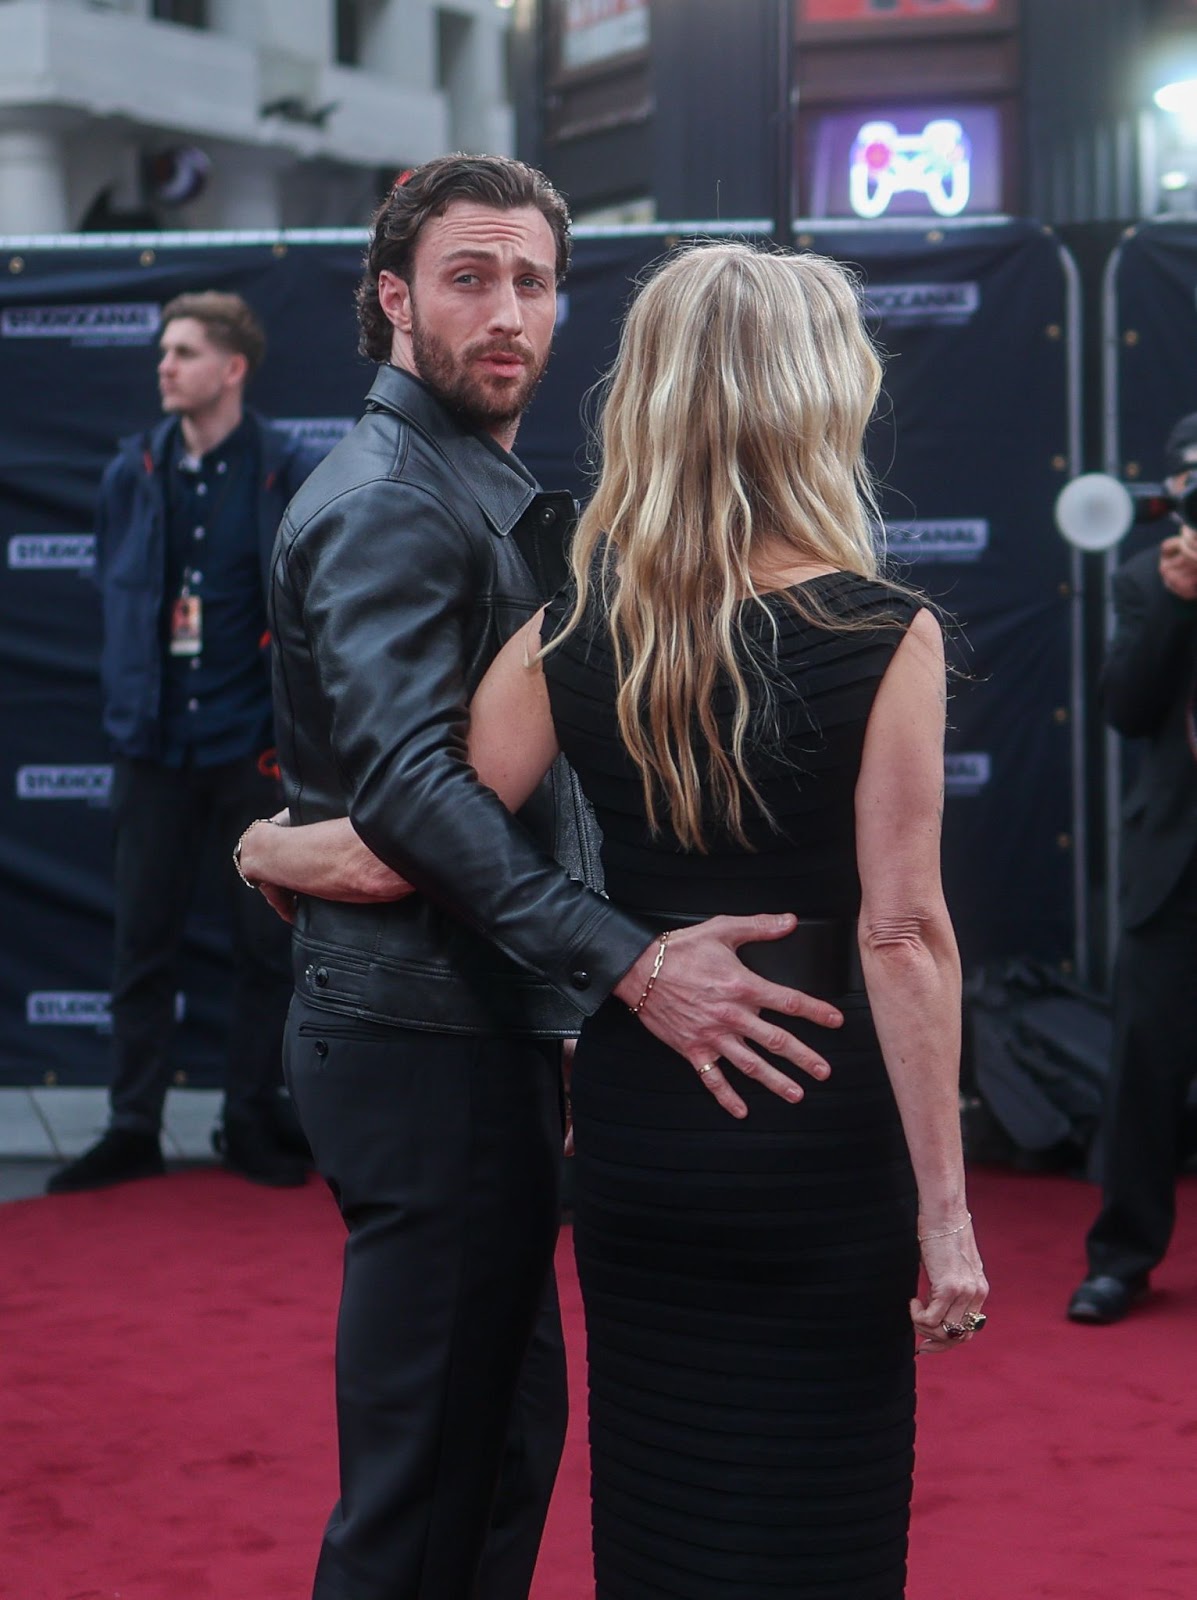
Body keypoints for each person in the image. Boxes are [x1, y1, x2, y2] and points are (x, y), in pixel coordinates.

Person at [244, 239, 988, 1598]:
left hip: (650, 1139)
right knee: (817, 1527)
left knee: (661, 1513)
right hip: (819, 1137)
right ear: (818, 398)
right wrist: (948, 1214)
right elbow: (900, 936)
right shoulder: (887, 631)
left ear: (651, 396)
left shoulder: (574, 623)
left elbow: (418, 842)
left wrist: (265, 842)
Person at [46, 292, 321, 1196]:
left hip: (252, 752)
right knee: (140, 945)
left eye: (183, 351)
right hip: (153, 748)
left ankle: (248, 1117)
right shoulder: (133, 470)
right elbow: (115, 591)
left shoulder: (286, 470)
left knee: (262, 947)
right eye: (163, 350)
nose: (163, 365)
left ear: (231, 369)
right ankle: (133, 1125)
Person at [1067, 412, 1197, 1325]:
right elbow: (1125, 707)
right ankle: (1121, 1258)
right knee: (1145, 1069)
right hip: (1174, 868)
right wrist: (1175, 605)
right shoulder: (1140, 581)